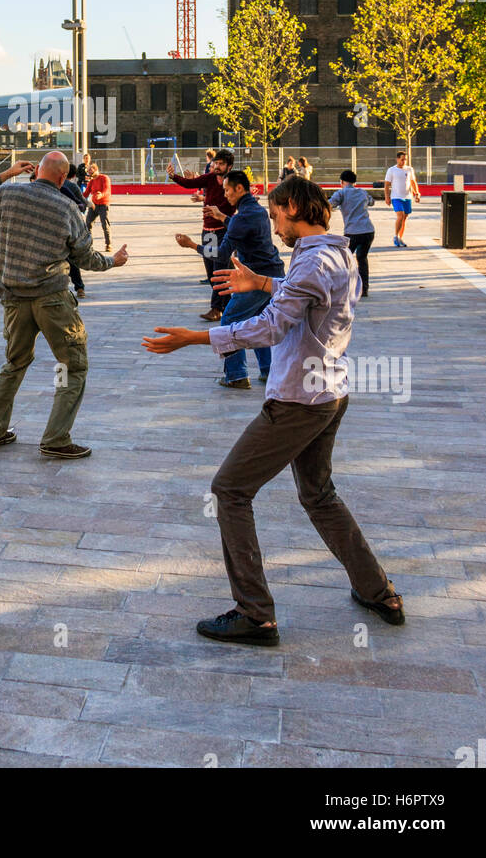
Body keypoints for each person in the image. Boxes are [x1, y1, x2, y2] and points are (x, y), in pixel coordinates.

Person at [142, 175, 404, 647]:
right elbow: (305, 292)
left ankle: (255, 614)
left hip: (297, 402)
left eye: (277, 213)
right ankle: (378, 591)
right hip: (329, 393)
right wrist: (261, 280)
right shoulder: (337, 252)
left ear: (294, 209)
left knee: (230, 489)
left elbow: (270, 326)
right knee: (319, 495)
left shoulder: (310, 263)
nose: (274, 223)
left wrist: (196, 338)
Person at [0, 151, 129, 459]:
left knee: (14, 363)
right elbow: (85, 259)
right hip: (52, 300)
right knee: (72, 365)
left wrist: (7, 173)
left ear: (36, 171)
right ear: (63, 178)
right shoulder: (67, 208)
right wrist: (113, 261)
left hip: (14, 298)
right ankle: (55, 437)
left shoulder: (10, 194)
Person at [175, 169, 285, 389]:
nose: (225, 195)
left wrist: (192, 245)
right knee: (256, 320)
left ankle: (236, 375)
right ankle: (268, 370)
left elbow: (221, 253)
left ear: (239, 188)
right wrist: (223, 217)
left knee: (229, 322)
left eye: (227, 190)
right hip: (273, 273)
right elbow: (239, 227)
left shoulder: (241, 218)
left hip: (253, 278)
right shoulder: (256, 210)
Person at [166, 149, 235, 319]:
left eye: (221, 164)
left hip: (224, 232)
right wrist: (174, 176)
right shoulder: (210, 178)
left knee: (220, 271)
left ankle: (216, 309)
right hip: (208, 231)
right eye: (216, 163)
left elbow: (237, 199)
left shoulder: (234, 181)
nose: (217, 166)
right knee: (212, 273)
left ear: (229, 166)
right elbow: (191, 184)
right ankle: (229, 305)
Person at [328, 169, 375, 298]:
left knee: (344, 260)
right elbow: (371, 202)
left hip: (352, 232)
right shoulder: (362, 192)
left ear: (341, 182)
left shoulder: (341, 193)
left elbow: (330, 204)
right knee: (362, 258)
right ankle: (364, 289)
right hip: (368, 231)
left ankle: (344, 288)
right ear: (354, 181)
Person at [61, 163, 89, 298]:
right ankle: (79, 288)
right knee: (72, 258)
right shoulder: (71, 187)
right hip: (70, 226)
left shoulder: (48, 186)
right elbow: (82, 204)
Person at [384, 150, 421, 248]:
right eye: (402, 159)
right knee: (400, 216)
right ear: (397, 159)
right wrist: (387, 197)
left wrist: (416, 193)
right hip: (396, 197)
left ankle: (401, 237)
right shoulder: (391, 170)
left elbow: (413, 182)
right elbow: (387, 185)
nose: (404, 161)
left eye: (405, 160)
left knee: (404, 219)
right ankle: (395, 236)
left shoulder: (409, 169)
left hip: (407, 197)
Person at [84, 161, 112, 252]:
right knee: (88, 223)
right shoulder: (91, 181)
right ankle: (89, 245)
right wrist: (76, 198)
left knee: (105, 224)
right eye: (88, 171)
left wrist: (101, 195)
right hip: (94, 205)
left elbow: (106, 189)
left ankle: (108, 244)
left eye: (90, 171)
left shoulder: (104, 178)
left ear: (96, 169)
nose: (89, 173)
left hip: (104, 204)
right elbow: (86, 193)